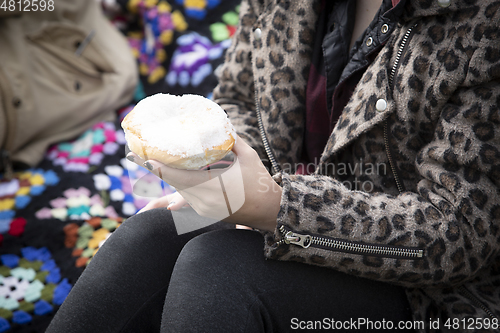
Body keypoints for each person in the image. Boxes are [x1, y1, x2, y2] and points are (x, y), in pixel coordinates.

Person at [46, 0, 500, 332]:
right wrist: (218, 176)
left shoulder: (482, 22)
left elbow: (460, 231)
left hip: (430, 299)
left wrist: (275, 207)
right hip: (276, 209)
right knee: (150, 235)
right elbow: (241, 96)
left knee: (219, 270)